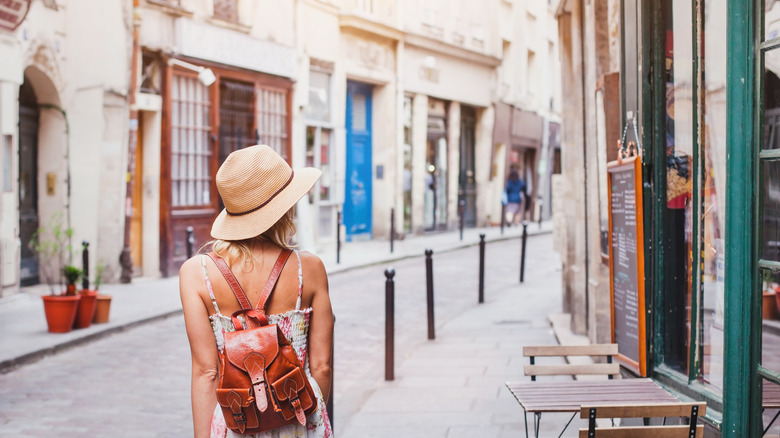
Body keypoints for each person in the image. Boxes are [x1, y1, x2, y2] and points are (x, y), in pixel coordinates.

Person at [179, 145, 334, 438]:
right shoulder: (309, 268)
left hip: (235, 421)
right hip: (298, 415)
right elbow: (322, 366)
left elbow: (206, 372)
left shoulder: (196, 273)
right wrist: (307, 418)